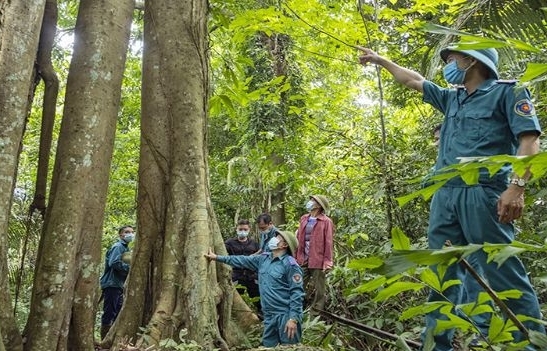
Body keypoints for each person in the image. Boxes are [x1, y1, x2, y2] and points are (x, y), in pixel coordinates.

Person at [358, 45, 545, 350]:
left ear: (472, 60)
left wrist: (517, 187)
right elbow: (413, 80)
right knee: (441, 273)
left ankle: (533, 344)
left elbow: (529, 141)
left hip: (483, 193)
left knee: (502, 270)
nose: (448, 64)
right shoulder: (451, 97)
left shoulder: (508, 93)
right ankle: (437, 343)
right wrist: (380, 60)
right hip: (445, 195)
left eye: (453, 58)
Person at [205, 230, 304, 347]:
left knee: (289, 347)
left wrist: (293, 319)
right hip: (268, 316)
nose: (274, 239)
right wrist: (217, 257)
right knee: (268, 346)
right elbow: (241, 260)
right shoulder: (263, 259)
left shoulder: (291, 265)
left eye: (278, 238)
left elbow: (297, 293)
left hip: (285, 315)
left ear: (284, 245)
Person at [295, 195, 334, 315]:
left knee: (320, 289)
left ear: (318, 205)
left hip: (318, 259)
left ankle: (315, 313)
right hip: (303, 258)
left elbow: (328, 242)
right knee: (297, 284)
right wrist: (295, 256)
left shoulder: (326, 221)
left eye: (313, 201)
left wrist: (327, 262)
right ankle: (296, 309)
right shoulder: (304, 218)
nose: (310, 202)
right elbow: (299, 238)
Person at [99, 225, 134, 339]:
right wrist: (130, 268)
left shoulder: (126, 248)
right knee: (110, 312)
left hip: (118, 285)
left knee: (117, 312)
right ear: (121, 235)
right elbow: (114, 263)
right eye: (127, 232)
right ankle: (104, 338)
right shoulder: (118, 246)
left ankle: (112, 338)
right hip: (111, 283)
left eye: (132, 232)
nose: (130, 234)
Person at [224, 219, 261, 314]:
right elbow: (224, 257)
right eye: (240, 229)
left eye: (245, 229)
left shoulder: (254, 244)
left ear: (249, 229)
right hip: (236, 275)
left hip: (252, 276)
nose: (242, 231)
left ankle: (261, 317)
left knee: (258, 298)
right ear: (236, 229)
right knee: (235, 299)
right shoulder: (229, 243)